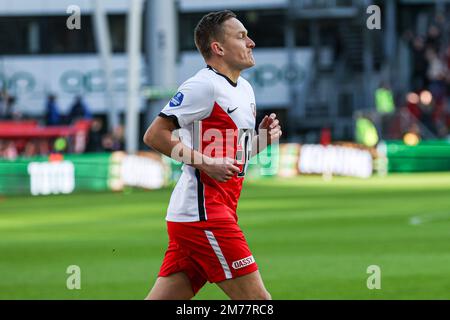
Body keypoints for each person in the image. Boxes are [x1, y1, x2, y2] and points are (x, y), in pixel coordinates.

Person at [143, 10, 281, 300]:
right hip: (204, 215)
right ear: (218, 48)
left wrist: (262, 140)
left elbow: (231, 159)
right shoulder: (202, 85)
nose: (251, 42)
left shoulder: (245, 89)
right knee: (259, 302)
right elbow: (154, 135)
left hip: (209, 212)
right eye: (241, 36)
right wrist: (206, 163)